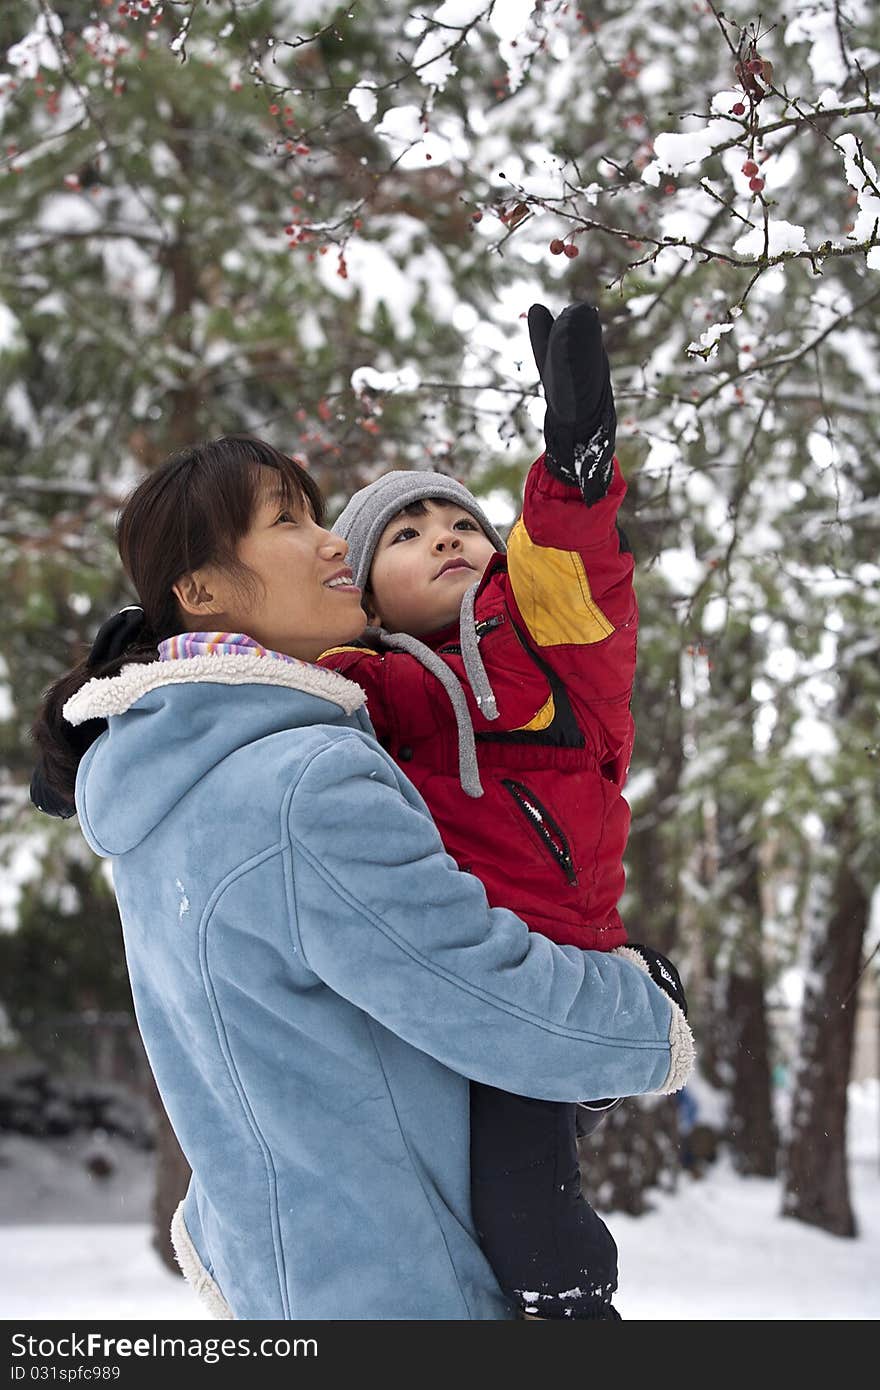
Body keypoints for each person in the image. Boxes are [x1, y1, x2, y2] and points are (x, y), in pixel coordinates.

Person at [30, 434, 693, 1321]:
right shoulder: (306, 783)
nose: (332, 540)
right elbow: (486, 995)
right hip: (409, 1284)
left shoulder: (161, 790)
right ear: (201, 593)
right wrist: (646, 1008)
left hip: (295, 1275)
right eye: (288, 520)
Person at [320, 302, 671, 1319]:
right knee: (426, 1209)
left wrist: (573, 467)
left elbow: (571, 558)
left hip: (546, 973)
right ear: (365, 596)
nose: (446, 537)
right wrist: (133, 687)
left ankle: (573, 1311)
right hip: (432, 975)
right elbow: (254, 690)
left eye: (462, 522)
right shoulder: (361, 682)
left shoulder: (545, 638)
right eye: (408, 532)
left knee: (527, 1215)